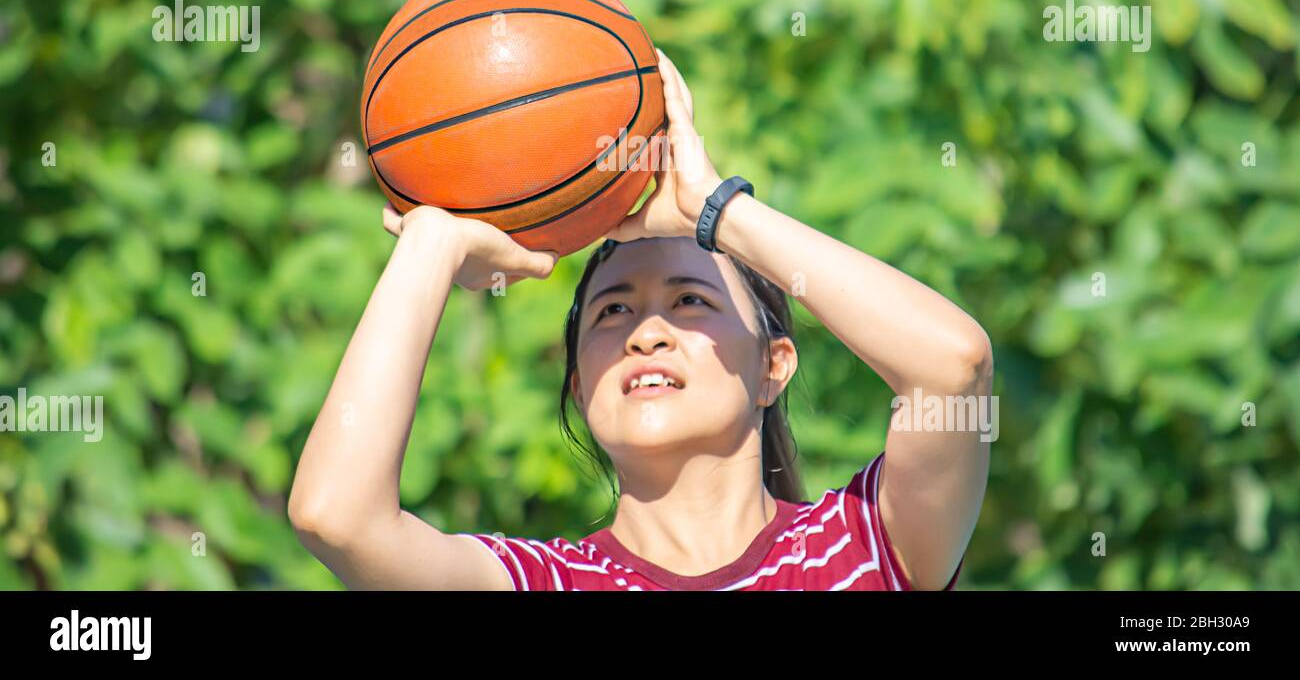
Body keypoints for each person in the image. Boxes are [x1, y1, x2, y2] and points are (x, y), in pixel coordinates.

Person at [289, 48, 991, 590]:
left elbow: (952, 366)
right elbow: (338, 517)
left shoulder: (859, 549)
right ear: (577, 388)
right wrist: (432, 242)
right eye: (613, 311)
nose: (644, 333)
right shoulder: (546, 582)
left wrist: (714, 209)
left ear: (772, 367)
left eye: (691, 301)